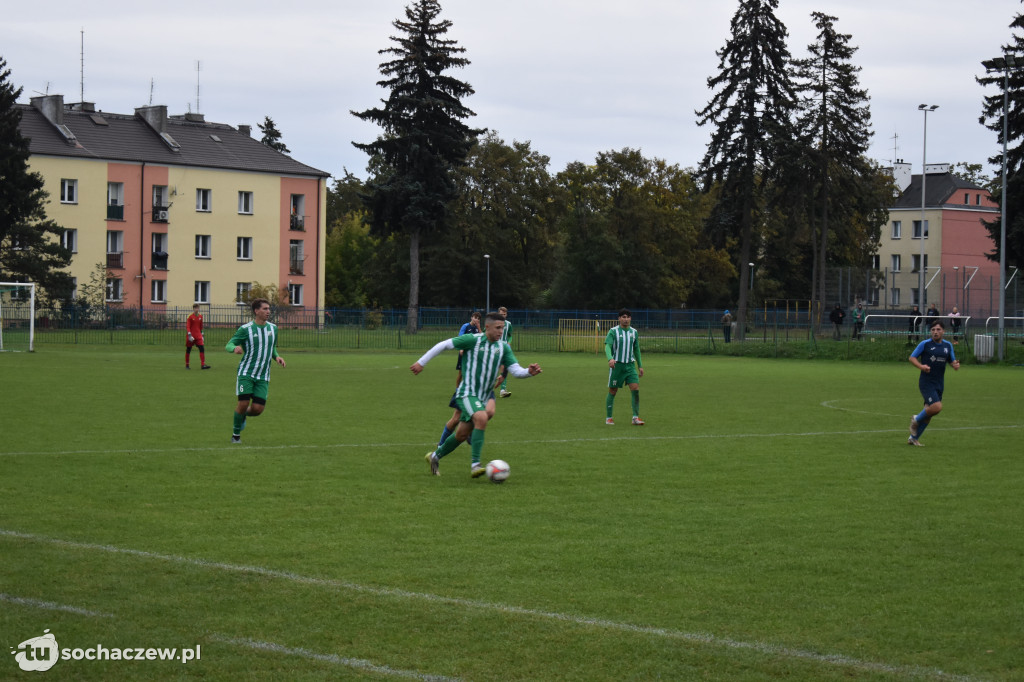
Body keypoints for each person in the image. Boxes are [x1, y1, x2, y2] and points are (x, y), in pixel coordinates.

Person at [412, 311, 542, 477]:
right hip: (467, 392)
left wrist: (529, 372)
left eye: (502, 328)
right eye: (497, 328)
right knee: (481, 417)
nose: (501, 332)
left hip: (485, 395)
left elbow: (516, 371)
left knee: (461, 434)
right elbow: (444, 344)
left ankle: (435, 456)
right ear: (487, 327)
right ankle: (475, 465)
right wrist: (421, 362)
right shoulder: (472, 340)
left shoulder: (503, 348)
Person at [226, 298, 286, 443]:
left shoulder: (273, 328)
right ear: (256, 311)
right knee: (243, 403)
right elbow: (229, 344)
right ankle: (236, 436)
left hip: (263, 375)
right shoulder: (245, 329)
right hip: (246, 373)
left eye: (269, 309)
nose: (268, 311)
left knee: (258, 409)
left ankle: (242, 415)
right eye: (265, 309)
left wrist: (277, 357)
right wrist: (235, 348)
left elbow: (271, 347)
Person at [907, 320, 960, 446]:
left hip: (939, 383)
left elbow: (952, 360)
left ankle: (913, 438)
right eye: (933, 330)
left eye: (938, 330)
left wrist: (955, 364)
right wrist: (921, 366)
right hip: (926, 382)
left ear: (943, 331)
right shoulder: (925, 344)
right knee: (937, 407)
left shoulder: (948, 346)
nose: (935, 332)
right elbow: (911, 358)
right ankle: (915, 420)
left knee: (929, 412)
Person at [605, 309, 645, 425]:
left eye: (627, 317)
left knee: (635, 389)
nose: (626, 319)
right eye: (623, 317)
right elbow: (607, 346)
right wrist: (610, 358)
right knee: (613, 390)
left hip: (630, 366)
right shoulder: (613, 331)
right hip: (617, 366)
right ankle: (609, 418)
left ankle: (635, 418)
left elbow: (636, 349)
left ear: (630, 318)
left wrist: (640, 365)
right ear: (619, 318)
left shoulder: (634, 332)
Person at [454, 311, 481, 386]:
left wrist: (479, 327)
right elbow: (460, 338)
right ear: (471, 317)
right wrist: (461, 349)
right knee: (461, 373)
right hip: (464, 352)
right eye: (475, 318)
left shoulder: (477, 328)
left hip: (473, 353)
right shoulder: (465, 326)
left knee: (474, 372)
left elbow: (482, 338)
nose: (476, 320)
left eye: (478, 318)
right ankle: (457, 390)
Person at [185, 304, 211, 370]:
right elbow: (188, 326)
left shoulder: (200, 316)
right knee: (188, 350)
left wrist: (202, 334)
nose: (197, 309)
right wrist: (189, 335)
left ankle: (203, 365)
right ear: (193, 309)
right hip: (191, 336)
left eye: (198, 308)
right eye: (195, 308)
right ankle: (187, 365)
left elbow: (201, 326)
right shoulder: (190, 316)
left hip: (198, 336)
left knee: (202, 348)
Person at [497, 306, 513, 397]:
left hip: (504, 348)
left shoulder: (508, 324)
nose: (502, 316)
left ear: (506, 315)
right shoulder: (493, 323)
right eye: (501, 314)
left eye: (504, 314)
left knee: (504, 368)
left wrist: (509, 342)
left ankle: (502, 390)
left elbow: (510, 335)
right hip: (494, 348)